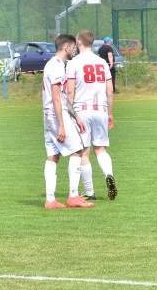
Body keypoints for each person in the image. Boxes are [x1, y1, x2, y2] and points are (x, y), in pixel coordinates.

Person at [66, 29, 117, 201]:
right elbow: (109, 90)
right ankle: (108, 174)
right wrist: (109, 113)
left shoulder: (73, 63)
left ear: (79, 42)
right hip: (101, 109)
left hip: (82, 110)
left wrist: (68, 112)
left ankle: (89, 191)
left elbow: (70, 91)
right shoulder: (102, 62)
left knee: (83, 152)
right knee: (101, 148)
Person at [44, 34, 92, 209]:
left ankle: (50, 200)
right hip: (57, 116)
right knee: (78, 150)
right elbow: (57, 98)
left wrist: (76, 117)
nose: (74, 50)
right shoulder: (56, 67)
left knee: (53, 156)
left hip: (49, 116)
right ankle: (73, 196)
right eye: (73, 47)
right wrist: (62, 126)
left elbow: (63, 98)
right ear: (67, 48)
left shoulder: (54, 65)